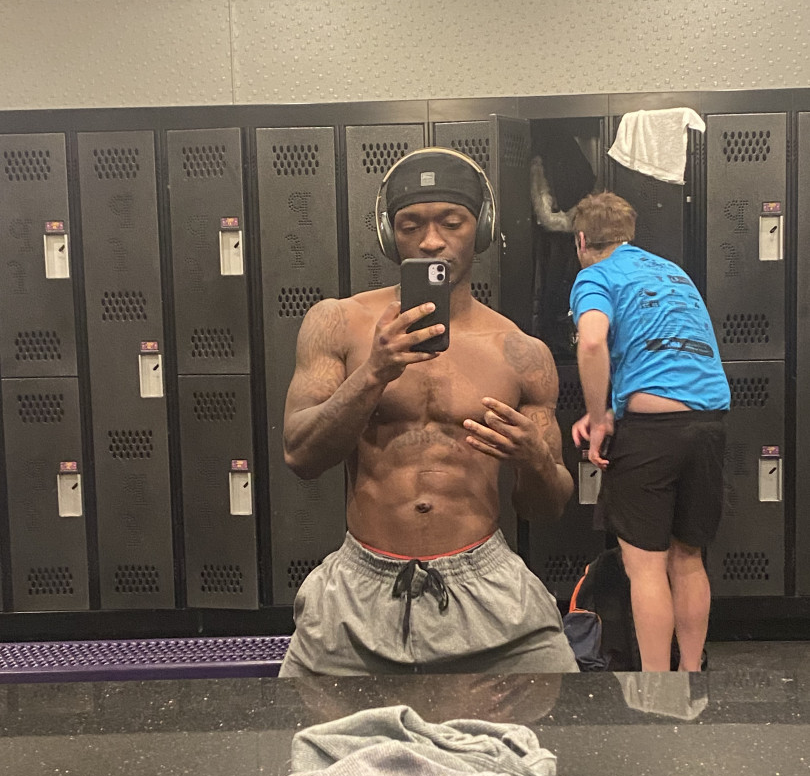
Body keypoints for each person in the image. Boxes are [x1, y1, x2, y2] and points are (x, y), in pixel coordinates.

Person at [279, 147, 579, 676]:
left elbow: (548, 506)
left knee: (562, 719)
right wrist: (374, 373)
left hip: (486, 584)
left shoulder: (520, 352)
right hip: (360, 590)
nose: (431, 240)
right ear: (388, 234)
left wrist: (534, 458)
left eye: (451, 222)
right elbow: (300, 455)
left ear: (480, 229)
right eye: (411, 224)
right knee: (302, 729)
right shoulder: (337, 323)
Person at [569, 191, 730, 672]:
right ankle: (691, 674)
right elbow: (664, 356)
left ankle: (658, 689)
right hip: (708, 423)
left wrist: (598, 418)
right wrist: (612, 408)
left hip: (652, 433)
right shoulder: (671, 272)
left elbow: (592, 341)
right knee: (688, 558)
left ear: (582, 240)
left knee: (646, 567)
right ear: (628, 234)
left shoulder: (595, 275)